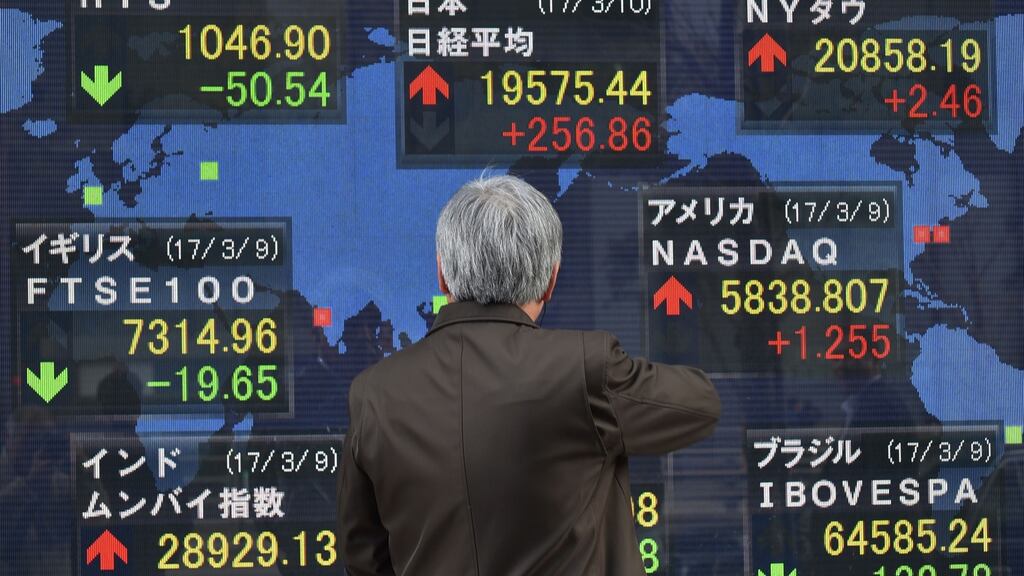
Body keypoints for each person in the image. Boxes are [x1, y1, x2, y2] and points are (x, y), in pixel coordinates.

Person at [338, 175, 721, 575]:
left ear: (442, 276)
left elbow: (365, 558)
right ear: (551, 279)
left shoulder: (374, 395)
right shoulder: (585, 369)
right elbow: (701, 405)